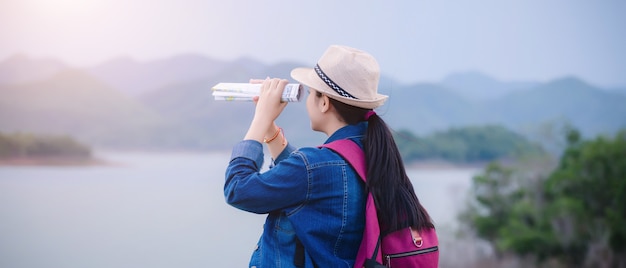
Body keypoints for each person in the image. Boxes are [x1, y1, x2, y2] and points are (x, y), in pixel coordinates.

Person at [224, 45, 435, 268]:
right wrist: (269, 128)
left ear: (324, 102)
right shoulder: (370, 152)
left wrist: (260, 119)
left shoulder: (316, 167)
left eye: (311, 92)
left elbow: (238, 188)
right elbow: (305, 180)